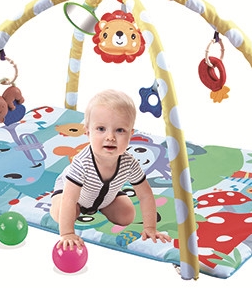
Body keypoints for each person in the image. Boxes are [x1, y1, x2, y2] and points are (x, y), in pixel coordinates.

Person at [50, 89, 171, 250]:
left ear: (130, 134)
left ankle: (102, 205)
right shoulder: (82, 163)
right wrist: (67, 233)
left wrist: (150, 227)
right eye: (101, 129)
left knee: (127, 215)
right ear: (87, 132)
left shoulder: (129, 163)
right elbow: (69, 199)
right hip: (71, 194)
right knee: (63, 213)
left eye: (120, 130)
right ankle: (60, 204)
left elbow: (145, 195)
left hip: (106, 196)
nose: (110, 137)